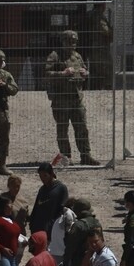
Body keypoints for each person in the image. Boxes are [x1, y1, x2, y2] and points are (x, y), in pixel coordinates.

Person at [44, 29, 97, 165]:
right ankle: (66, 157)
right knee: (63, 129)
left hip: (76, 98)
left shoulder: (77, 56)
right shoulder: (55, 56)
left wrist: (85, 73)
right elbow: (47, 74)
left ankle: (85, 155)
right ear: (62, 41)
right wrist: (63, 73)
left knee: (81, 128)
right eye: (69, 41)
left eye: (74, 41)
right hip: (61, 99)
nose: (72, 44)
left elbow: (84, 69)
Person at [26, 162, 69, 241]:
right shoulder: (42, 189)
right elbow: (36, 207)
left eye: (45, 176)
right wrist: (32, 223)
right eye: (40, 176)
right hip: (38, 229)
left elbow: (62, 210)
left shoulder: (61, 188)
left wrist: (53, 226)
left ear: (51, 174)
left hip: (51, 230)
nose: (43, 179)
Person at [79, 0, 114, 90]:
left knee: (94, 70)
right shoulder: (98, 16)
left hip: (91, 47)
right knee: (107, 69)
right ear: (103, 4)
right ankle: (107, 89)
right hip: (100, 48)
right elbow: (106, 31)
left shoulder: (89, 14)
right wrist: (112, 31)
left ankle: (94, 90)